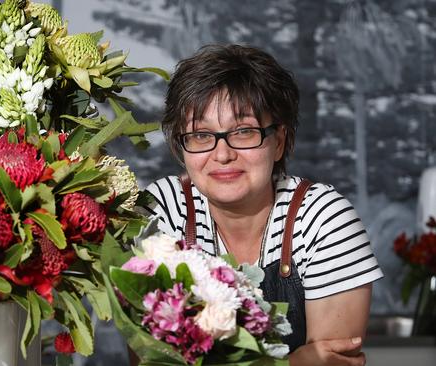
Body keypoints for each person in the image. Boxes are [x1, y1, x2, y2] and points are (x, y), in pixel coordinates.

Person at [141, 44, 383, 366]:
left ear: (279, 141)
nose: (222, 154)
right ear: (180, 146)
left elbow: (334, 362)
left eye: (243, 131)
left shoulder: (323, 219)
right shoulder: (163, 212)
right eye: (200, 135)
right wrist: (295, 364)